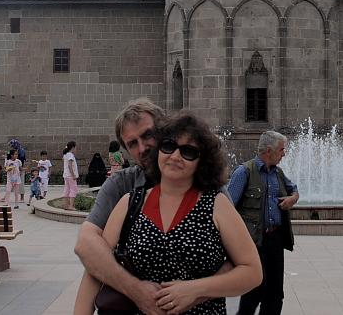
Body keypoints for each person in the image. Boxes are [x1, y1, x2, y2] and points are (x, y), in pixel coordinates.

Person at [74, 112, 262, 315]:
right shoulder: (129, 203)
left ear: (203, 161)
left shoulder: (217, 204)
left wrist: (196, 290)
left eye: (188, 151)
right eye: (169, 146)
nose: (175, 156)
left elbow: (252, 271)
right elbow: (94, 271)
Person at [74, 98, 175, 315]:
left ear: (164, 130)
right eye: (132, 143)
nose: (142, 148)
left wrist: (195, 292)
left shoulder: (205, 184)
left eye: (148, 135)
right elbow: (86, 245)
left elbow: (240, 261)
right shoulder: (122, 187)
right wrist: (136, 291)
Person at [228, 130, 300, 315]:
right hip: (253, 242)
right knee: (255, 290)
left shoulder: (278, 173)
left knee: (275, 293)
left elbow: (294, 190)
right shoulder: (244, 172)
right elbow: (227, 210)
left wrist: (293, 198)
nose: (284, 154)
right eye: (281, 150)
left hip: (275, 239)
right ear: (269, 151)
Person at [9, 139, 27, 203]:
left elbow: (22, 161)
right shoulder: (14, 151)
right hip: (14, 169)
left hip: (19, 169)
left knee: (21, 183)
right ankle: (6, 196)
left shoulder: (21, 151)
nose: (11, 147)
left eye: (12, 145)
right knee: (10, 183)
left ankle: (22, 197)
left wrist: (20, 170)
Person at [63, 141, 80, 210]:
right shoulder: (70, 155)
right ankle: (71, 206)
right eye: (75, 147)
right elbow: (70, 166)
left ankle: (65, 205)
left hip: (66, 175)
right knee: (73, 190)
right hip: (70, 176)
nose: (76, 149)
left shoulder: (66, 154)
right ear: (73, 147)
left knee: (67, 189)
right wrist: (73, 175)